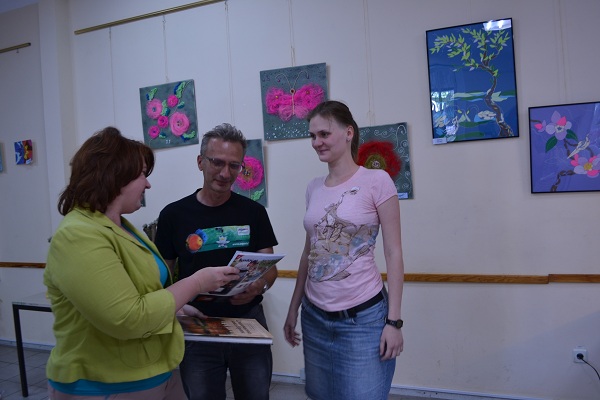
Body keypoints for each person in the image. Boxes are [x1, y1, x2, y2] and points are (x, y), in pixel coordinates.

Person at [43, 127, 239, 400]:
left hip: (153, 372)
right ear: (114, 176)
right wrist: (196, 283)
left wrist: (176, 306)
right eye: (142, 175)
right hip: (105, 384)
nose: (147, 185)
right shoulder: (78, 235)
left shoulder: (122, 227)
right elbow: (128, 318)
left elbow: (142, 291)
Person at [283, 101, 405, 400]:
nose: (316, 142)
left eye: (324, 134)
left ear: (348, 132)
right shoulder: (314, 187)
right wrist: (293, 307)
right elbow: (309, 253)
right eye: (312, 136)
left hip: (363, 319)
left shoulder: (376, 181)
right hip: (314, 316)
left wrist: (393, 322)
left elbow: (393, 253)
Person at [155, 123, 279, 400]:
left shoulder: (254, 212)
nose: (225, 173)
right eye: (217, 162)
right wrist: (175, 305)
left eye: (234, 166)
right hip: (197, 324)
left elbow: (269, 269)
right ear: (200, 162)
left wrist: (258, 286)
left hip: (248, 322)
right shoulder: (173, 215)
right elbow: (162, 273)